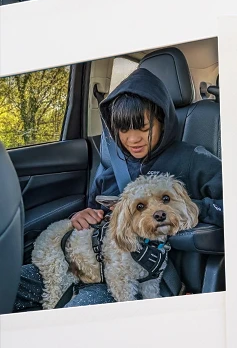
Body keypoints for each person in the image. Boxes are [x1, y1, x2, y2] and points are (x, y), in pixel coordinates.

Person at [14, 68, 222, 311]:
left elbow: (230, 205)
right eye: (124, 130)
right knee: (9, 282)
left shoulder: (192, 159)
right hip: (86, 263)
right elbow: (94, 211)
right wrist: (80, 217)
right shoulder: (113, 167)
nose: (132, 139)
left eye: (142, 127)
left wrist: (184, 208)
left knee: (74, 316)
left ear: (161, 119)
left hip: (143, 274)